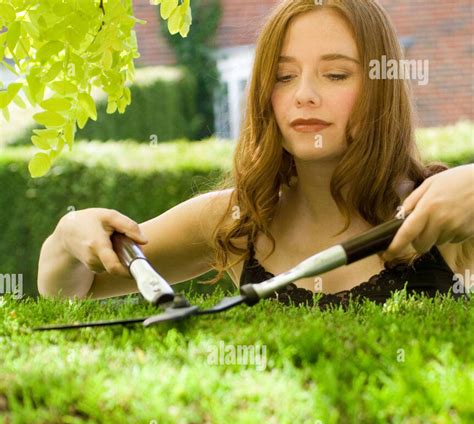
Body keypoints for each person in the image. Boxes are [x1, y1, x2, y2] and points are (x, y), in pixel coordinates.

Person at [37, 0, 474, 307]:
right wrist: (68, 234)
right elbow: (72, 290)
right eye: (284, 76)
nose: (304, 95)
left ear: (382, 90)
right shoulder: (236, 221)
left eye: (336, 74)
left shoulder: (444, 212)